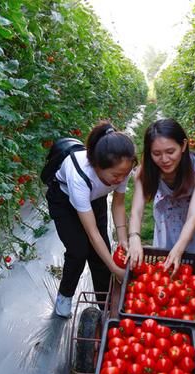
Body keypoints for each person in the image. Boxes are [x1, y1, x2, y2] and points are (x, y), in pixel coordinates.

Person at [46, 121, 136, 318]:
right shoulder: (80, 176)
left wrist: (123, 239)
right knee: (79, 251)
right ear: (96, 165)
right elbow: (92, 233)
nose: (121, 179)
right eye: (115, 175)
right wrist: (115, 268)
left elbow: (118, 204)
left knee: (102, 251)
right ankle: (64, 296)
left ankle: (105, 304)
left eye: (125, 174)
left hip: (95, 198)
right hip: (63, 201)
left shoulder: (121, 168)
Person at [127, 118, 195, 292]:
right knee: (171, 243)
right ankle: (174, 287)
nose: (164, 159)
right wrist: (134, 237)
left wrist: (179, 249)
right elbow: (136, 210)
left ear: (184, 145)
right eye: (156, 154)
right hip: (173, 205)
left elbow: (194, 216)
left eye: (170, 151)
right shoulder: (145, 171)